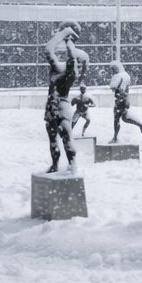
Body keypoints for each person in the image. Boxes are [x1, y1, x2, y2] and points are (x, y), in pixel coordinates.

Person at [42, 21, 89, 173]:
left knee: (64, 137)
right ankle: (60, 165)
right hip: (56, 106)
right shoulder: (60, 70)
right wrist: (65, 36)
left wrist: (65, 37)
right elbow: (49, 51)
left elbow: (49, 50)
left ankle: (69, 165)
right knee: (58, 138)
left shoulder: (64, 73)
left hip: (57, 106)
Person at [108, 60, 142, 142]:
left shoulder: (119, 76)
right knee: (124, 118)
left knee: (117, 119)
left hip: (121, 100)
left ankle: (115, 138)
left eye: (113, 69)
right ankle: (140, 124)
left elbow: (113, 87)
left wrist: (116, 86)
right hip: (124, 100)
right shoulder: (126, 76)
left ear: (117, 68)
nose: (112, 71)